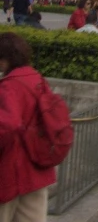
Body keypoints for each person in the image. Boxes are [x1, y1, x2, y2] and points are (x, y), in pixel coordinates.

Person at [0, 33, 58, 219]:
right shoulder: (36, 78)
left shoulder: (10, 86)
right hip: (37, 169)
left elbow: (9, 124)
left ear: (5, 59)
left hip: (12, 169)